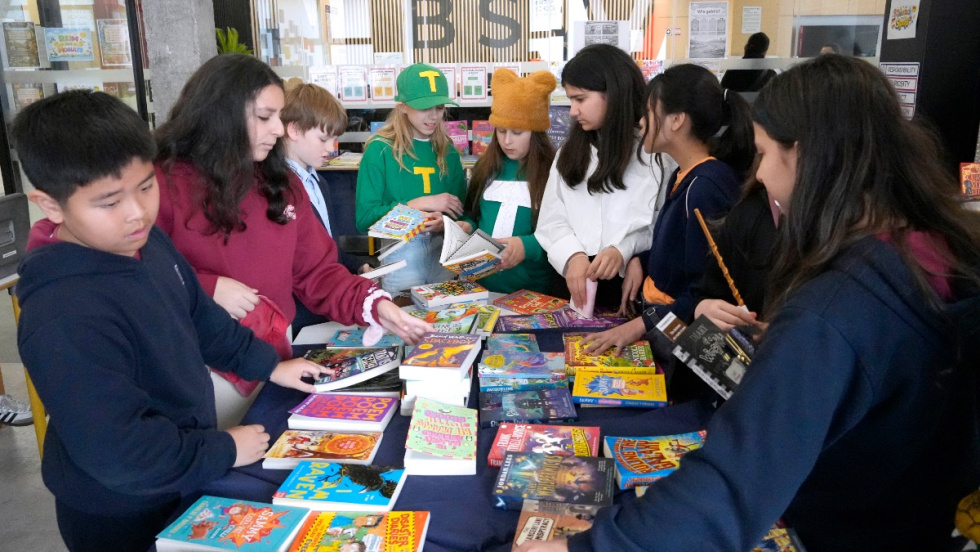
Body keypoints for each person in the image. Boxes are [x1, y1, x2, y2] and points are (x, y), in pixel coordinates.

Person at [516, 54, 980, 552]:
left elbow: (734, 481)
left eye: (762, 154)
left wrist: (584, 547)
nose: (757, 174)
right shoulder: (940, 247)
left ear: (801, 155)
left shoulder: (832, 310)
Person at [13, 90, 333, 552]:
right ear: (50, 205)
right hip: (120, 509)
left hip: (183, 475)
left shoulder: (147, 245)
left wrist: (269, 365)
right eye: (108, 202)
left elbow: (203, 320)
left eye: (145, 186)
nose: (137, 213)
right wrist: (222, 450)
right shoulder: (63, 315)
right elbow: (121, 452)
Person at [154, 54, 432, 427]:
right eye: (265, 117)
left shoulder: (283, 186)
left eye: (279, 118)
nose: (278, 130)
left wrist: (374, 304)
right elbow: (128, 274)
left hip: (274, 358)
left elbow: (318, 272)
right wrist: (204, 287)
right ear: (221, 113)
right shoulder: (161, 183)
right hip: (196, 367)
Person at [584, 63, 756, 354]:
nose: (640, 122)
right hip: (660, 320)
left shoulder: (705, 188)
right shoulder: (682, 175)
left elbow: (705, 286)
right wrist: (639, 258)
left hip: (677, 331)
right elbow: (678, 252)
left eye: (649, 113)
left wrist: (639, 325)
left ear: (676, 120)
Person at [534, 44, 667, 313]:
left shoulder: (654, 153)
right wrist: (572, 256)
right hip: (574, 282)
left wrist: (625, 250)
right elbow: (551, 220)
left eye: (580, 99)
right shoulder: (570, 152)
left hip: (631, 288)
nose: (572, 110)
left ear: (614, 93)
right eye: (571, 100)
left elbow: (661, 223)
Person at [355, 63, 469, 294]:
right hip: (399, 254)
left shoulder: (448, 150)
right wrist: (419, 205)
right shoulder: (380, 150)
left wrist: (444, 224)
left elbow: (463, 214)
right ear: (402, 107)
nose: (434, 115)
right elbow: (364, 218)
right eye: (424, 107)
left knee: (445, 322)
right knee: (403, 319)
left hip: (443, 253)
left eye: (439, 106)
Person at [280, 81, 371, 335]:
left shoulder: (319, 181)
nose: (332, 149)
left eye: (334, 139)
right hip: (298, 315)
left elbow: (327, 246)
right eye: (324, 138)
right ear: (294, 129)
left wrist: (356, 267)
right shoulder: (277, 187)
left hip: (328, 308)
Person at [462, 68, 559, 294]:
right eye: (501, 130)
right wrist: (467, 226)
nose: (507, 141)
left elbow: (563, 233)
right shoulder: (485, 168)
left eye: (517, 132)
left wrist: (528, 246)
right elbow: (475, 215)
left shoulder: (553, 173)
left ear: (535, 132)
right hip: (482, 287)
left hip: (533, 292)